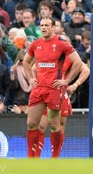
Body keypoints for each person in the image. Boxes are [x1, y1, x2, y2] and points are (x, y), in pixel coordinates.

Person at [22, 17, 83, 158]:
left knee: (55, 125)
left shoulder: (62, 44)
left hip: (54, 89)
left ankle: (55, 157)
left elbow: (78, 63)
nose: (43, 28)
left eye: (47, 25)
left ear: (53, 28)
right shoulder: (35, 44)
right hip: (39, 89)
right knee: (31, 123)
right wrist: (31, 78)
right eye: (41, 25)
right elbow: (26, 62)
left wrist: (66, 81)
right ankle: (31, 158)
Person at [35, 54, 90, 157]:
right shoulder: (46, 55)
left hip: (60, 95)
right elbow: (34, 68)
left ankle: (55, 158)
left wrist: (75, 84)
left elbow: (86, 70)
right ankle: (35, 157)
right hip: (45, 94)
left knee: (59, 126)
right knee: (41, 126)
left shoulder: (69, 56)